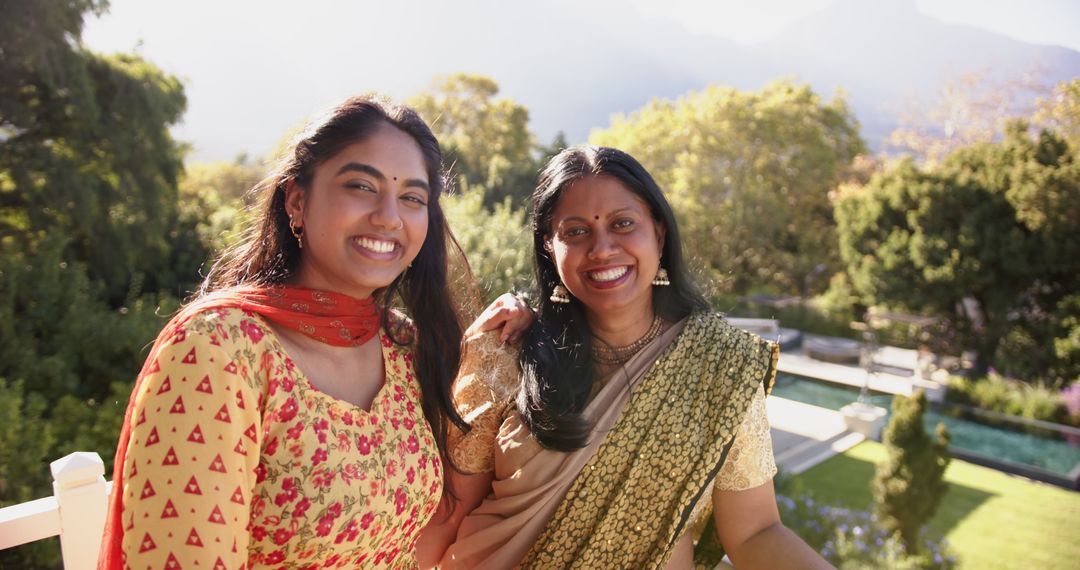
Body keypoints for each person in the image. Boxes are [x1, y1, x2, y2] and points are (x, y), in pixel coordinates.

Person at [98, 95, 528, 569]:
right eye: (362, 186)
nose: (389, 216)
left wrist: (500, 351)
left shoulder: (403, 346)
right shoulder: (220, 349)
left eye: (411, 197)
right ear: (297, 201)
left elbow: (419, 539)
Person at [428, 146, 832, 569]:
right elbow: (451, 514)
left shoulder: (719, 365)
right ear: (549, 246)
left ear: (658, 233)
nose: (602, 248)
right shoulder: (507, 350)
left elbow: (754, 533)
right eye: (576, 231)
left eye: (623, 224)